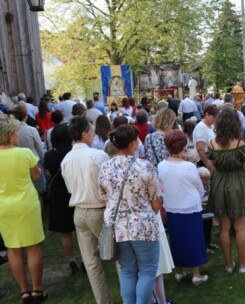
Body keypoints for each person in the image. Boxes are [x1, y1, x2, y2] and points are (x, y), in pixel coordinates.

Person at [98, 125, 163, 303]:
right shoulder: (144, 166)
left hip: (117, 227)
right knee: (148, 269)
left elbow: (104, 198)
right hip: (143, 225)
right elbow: (156, 201)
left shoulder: (105, 168)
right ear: (133, 143)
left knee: (127, 269)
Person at [61, 116, 112, 304]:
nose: (94, 134)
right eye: (91, 131)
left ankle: (104, 301)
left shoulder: (66, 160)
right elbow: (109, 185)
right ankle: (128, 297)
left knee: (91, 263)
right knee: (120, 257)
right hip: (98, 210)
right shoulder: (98, 156)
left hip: (79, 213)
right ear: (84, 134)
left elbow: (70, 189)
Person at [0, 115, 47, 304]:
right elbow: (36, 176)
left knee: (13, 248)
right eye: (16, 132)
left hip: (4, 205)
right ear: (10, 135)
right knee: (33, 246)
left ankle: (24, 291)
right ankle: (37, 289)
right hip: (27, 203)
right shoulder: (25, 153)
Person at [207, 107, 245, 273]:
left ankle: (229, 265)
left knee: (224, 227)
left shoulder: (212, 143)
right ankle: (243, 265)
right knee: (240, 227)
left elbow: (212, 165)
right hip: (236, 183)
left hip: (219, 183)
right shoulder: (240, 144)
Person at [158, 129, 209, 284]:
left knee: (177, 239)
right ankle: (196, 274)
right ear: (183, 146)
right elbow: (200, 188)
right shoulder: (188, 167)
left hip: (172, 206)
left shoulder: (161, 165)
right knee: (194, 239)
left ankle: (179, 271)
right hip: (189, 206)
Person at [44, 124, 80, 274]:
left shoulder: (49, 156)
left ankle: (71, 258)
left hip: (58, 194)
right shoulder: (73, 154)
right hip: (73, 191)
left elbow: (48, 173)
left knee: (65, 231)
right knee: (80, 229)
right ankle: (86, 257)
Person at [194, 105, 219, 171]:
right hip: (204, 162)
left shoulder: (211, 126)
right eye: (213, 117)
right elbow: (200, 149)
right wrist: (209, 166)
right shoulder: (201, 127)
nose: (215, 119)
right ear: (206, 114)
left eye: (216, 117)